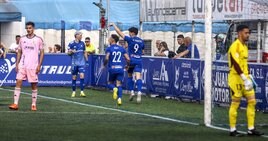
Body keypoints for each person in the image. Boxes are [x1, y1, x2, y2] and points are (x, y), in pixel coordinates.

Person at [227, 25, 264, 137]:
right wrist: (243, 77)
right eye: (245, 33)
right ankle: (232, 130)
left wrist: (249, 75)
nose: (248, 35)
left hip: (245, 78)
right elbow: (235, 64)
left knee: (252, 101)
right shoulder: (235, 46)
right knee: (235, 104)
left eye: (248, 33)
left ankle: (251, 129)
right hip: (236, 79)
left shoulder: (244, 46)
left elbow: (244, 64)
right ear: (239, 33)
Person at [9, 21, 44, 111]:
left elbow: (42, 53)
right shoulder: (22, 39)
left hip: (33, 65)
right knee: (18, 81)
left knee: (33, 85)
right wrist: (17, 64)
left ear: (33, 28)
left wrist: (39, 65)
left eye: (30, 28)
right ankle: (15, 104)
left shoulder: (38, 39)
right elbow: (19, 51)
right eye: (27, 28)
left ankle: (33, 104)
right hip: (23, 65)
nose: (28, 30)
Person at [110, 23, 145, 103]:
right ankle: (139, 92)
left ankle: (132, 92)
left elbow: (119, 32)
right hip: (139, 60)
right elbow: (143, 52)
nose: (129, 34)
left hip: (131, 60)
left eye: (129, 32)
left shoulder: (130, 39)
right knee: (138, 77)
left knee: (129, 75)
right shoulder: (141, 41)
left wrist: (114, 25)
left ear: (132, 33)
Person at [103, 34, 130, 105]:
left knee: (110, 83)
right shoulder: (121, 48)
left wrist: (104, 65)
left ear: (113, 40)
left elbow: (106, 58)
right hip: (120, 69)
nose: (108, 39)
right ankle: (119, 99)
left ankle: (114, 89)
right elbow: (128, 58)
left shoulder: (109, 48)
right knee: (119, 84)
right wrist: (127, 65)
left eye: (109, 38)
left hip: (112, 68)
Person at [67, 31, 89, 98]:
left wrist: (87, 60)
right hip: (74, 63)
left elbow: (85, 52)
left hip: (81, 63)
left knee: (82, 76)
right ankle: (74, 91)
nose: (81, 36)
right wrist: (71, 51)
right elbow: (68, 53)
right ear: (76, 35)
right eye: (80, 35)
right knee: (74, 77)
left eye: (81, 35)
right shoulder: (71, 43)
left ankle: (82, 91)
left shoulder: (82, 43)